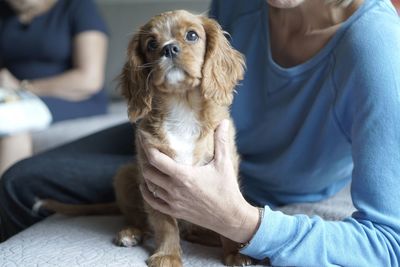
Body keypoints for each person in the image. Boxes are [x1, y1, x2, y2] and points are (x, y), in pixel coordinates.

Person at [1, 0, 400, 265]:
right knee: (20, 181)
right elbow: (192, 71)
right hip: (171, 127)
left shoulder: (376, 44)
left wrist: (241, 222)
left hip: (260, 187)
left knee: (23, 187)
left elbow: (389, 243)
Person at [0, 0, 108, 174]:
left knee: (11, 121)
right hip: (14, 97)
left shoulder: (78, 6)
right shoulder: (5, 11)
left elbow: (89, 80)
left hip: (74, 97)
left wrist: (23, 87)